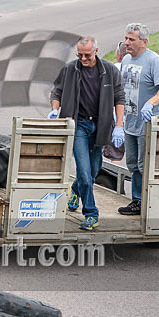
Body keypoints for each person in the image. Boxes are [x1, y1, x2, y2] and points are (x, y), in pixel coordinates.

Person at [48, 36, 125, 230]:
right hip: (78, 125)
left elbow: (119, 97)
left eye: (87, 55)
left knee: (92, 172)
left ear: (96, 52)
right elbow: (56, 92)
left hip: (100, 126)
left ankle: (75, 190)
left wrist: (119, 125)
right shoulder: (70, 70)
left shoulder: (109, 71)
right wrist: (55, 109)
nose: (83, 59)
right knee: (83, 170)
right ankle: (91, 213)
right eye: (80, 55)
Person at [117, 23, 159, 216]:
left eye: (131, 39)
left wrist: (151, 103)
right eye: (126, 39)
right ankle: (137, 200)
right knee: (132, 164)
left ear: (144, 41)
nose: (127, 43)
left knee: (145, 165)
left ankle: (146, 202)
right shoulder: (125, 59)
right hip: (130, 123)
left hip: (147, 125)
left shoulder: (154, 61)